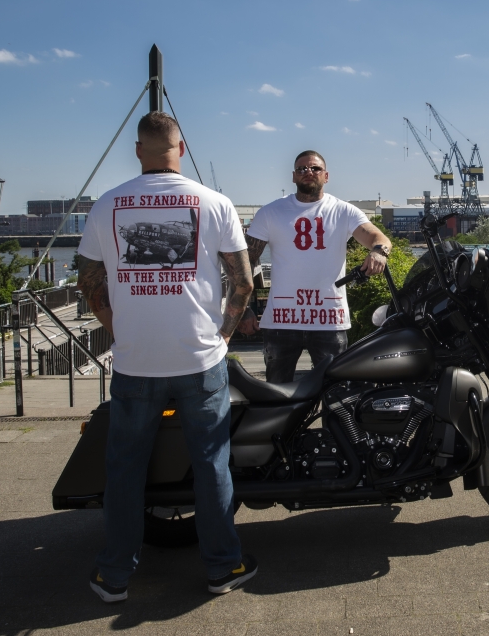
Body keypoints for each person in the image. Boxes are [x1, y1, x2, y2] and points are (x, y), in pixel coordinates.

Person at [77, 111, 257, 602]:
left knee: (125, 469)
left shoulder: (106, 205)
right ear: (182, 147)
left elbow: (90, 282)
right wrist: (222, 335)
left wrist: (118, 329)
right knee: (211, 465)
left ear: (138, 150)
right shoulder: (215, 203)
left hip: (135, 364)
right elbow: (243, 281)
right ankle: (224, 566)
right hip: (201, 360)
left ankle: (114, 575)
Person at [238, 150, 391, 383]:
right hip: (281, 321)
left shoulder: (344, 211)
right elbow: (244, 263)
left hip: (329, 320)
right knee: (276, 396)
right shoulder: (270, 213)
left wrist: (379, 252)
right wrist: (243, 309)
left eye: (315, 168)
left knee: (335, 392)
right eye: (302, 169)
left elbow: (376, 237)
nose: (308, 172)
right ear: (293, 176)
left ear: (326, 176)